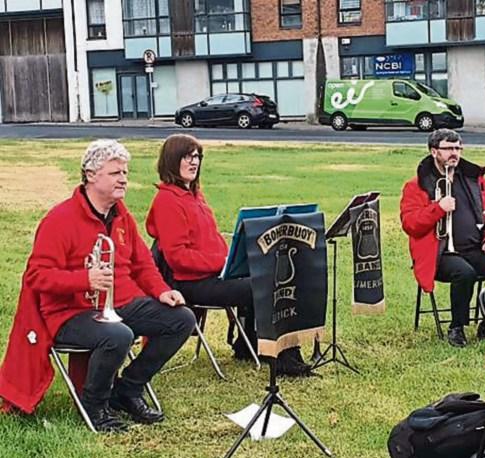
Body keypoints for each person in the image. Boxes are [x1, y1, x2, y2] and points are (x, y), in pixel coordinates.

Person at [0, 139, 196, 432]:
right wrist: (84, 279)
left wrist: (161, 291)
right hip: (71, 311)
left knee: (182, 319)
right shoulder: (59, 219)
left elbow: (142, 264)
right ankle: (94, 405)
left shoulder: (121, 216)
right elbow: (37, 277)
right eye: (115, 172)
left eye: (126, 173)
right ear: (91, 175)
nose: (124, 179)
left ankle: (128, 390)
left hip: (120, 303)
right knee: (118, 335)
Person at [145, 133, 312, 377]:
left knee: (272, 275)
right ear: (171, 160)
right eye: (186, 156)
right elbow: (178, 257)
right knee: (267, 286)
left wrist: (232, 260)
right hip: (190, 283)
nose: (194, 162)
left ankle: (251, 344)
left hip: (215, 274)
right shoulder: (167, 200)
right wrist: (222, 263)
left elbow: (210, 241)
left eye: (197, 156)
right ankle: (284, 358)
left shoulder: (194, 195)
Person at [400, 129, 485, 348]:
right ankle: (457, 327)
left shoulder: (475, 180)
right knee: (464, 273)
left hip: (475, 247)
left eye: (458, 148)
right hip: (440, 253)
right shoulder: (416, 185)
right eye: (449, 149)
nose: (455, 153)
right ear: (434, 151)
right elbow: (410, 224)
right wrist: (437, 208)